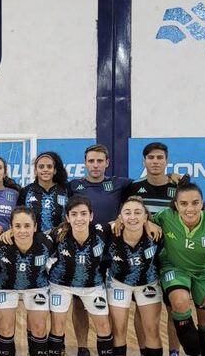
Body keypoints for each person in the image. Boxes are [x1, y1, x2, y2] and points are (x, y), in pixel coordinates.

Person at [152, 179, 205, 356]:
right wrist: (147, 222)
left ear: (202, 203)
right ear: (176, 205)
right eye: (184, 203)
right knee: (179, 303)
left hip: (204, 272)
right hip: (175, 268)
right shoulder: (165, 217)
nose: (190, 209)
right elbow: (139, 217)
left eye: (195, 203)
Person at [66, 144, 131, 356]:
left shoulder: (119, 184)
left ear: (107, 163)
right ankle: (83, 347)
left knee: (113, 302)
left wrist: (175, 177)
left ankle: (109, 342)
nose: (95, 165)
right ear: (84, 163)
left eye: (99, 161)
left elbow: (145, 187)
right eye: (91, 161)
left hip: (110, 254)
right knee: (79, 302)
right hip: (82, 254)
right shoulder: (73, 185)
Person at [124, 142, 180, 356]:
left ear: (166, 161)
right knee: (141, 306)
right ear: (144, 161)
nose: (155, 161)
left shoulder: (178, 188)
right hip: (142, 258)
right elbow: (128, 215)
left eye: (160, 157)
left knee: (174, 307)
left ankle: (174, 351)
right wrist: (147, 221)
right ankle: (144, 350)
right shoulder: (134, 187)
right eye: (151, 158)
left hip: (171, 256)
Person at [47, 196, 114, 356]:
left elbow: (125, 222)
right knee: (58, 325)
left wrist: (147, 222)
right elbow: (31, 237)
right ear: (67, 217)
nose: (79, 218)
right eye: (74, 214)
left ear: (91, 216)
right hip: (61, 284)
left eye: (84, 214)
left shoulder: (102, 231)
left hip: (93, 284)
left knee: (104, 326)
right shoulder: (57, 234)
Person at [0, 207, 53, 356]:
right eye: (17, 226)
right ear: (10, 228)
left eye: (27, 226)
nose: (22, 230)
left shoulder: (46, 243)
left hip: (36, 285)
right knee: (6, 327)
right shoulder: (0, 245)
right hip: (5, 286)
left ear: (35, 227)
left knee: (39, 327)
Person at [107, 197, 163, 356]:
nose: (132, 217)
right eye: (127, 213)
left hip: (148, 283)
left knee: (152, 329)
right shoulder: (109, 232)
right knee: (118, 329)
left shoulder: (156, 233)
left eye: (138, 213)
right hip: (119, 283)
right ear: (120, 217)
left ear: (145, 216)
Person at [18, 152, 68, 233]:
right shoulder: (26, 192)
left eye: (49, 166)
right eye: (41, 167)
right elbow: (19, 217)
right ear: (35, 171)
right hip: (34, 242)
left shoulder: (65, 190)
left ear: (54, 171)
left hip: (60, 241)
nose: (45, 169)